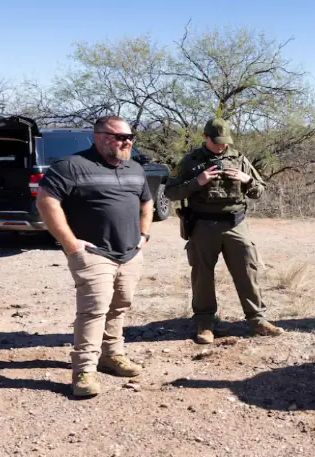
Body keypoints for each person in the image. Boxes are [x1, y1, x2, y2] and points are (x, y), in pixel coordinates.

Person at [37, 115, 152, 397]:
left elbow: (147, 201)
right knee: (94, 309)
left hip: (129, 252)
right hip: (92, 252)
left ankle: (111, 355)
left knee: (120, 305)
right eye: (121, 137)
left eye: (130, 137)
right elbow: (45, 200)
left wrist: (143, 236)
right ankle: (84, 371)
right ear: (100, 136)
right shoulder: (71, 166)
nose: (128, 142)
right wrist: (69, 243)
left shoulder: (135, 168)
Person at [165, 118, 283, 344]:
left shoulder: (239, 159)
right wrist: (196, 182)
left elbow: (259, 191)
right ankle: (205, 322)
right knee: (202, 276)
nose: (221, 146)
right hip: (203, 225)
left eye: (224, 142)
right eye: (216, 141)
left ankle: (257, 319)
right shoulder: (191, 161)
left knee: (247, 270)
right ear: (205, 138)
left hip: (236, 223)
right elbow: (171, 193)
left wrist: (247, 180)